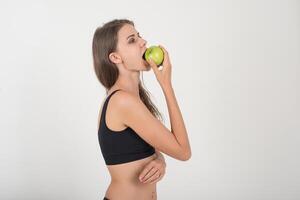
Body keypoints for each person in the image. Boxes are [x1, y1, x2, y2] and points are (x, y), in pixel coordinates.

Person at [92, 18, 192, 200]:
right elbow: (183, 151)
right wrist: (166, 85)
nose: (143, 42)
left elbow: (150, 146)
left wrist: (160, 160)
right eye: (132, 40)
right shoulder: (123, 101)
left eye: (139, 36)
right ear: (115, 57)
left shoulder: (131, 99)